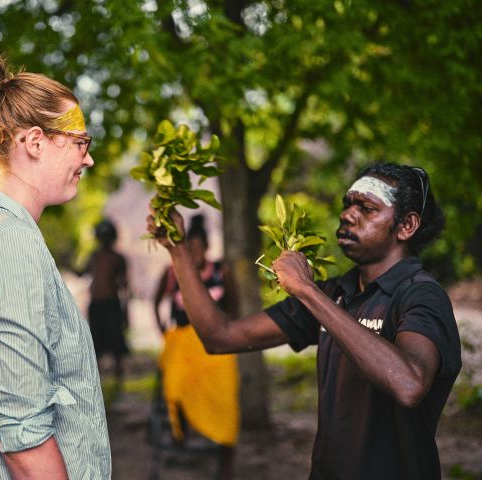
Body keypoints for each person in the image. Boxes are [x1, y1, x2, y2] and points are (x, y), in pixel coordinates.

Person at [147, 163, 461, 480]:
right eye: (348, 204)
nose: (348, 215)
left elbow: (409, 384)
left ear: (406, 225)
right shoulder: (336, 294)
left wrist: (308, 291)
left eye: (366, 208)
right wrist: (179, 250)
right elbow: (220, 336)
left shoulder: (421, 297)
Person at [0, 56, 110, 479]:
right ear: (34, 142)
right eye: (79, 142)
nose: (87, 159)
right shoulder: (10, 245)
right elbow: (22, 432)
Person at [153, 214, 240, 480]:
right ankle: (182, 435)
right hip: (182, 343)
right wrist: (163, 332)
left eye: (199, 246)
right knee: (176, 388)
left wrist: (230, 331)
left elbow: (235, 304)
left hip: (216, 346)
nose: (195, 251)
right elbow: (156, 302)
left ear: (207, 247)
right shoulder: (173, 271)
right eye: (190, 246)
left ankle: (226, 456)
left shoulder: (220, 271)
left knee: (224, 397)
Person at [85, 218, 130, 382]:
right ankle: (96, 379)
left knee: (116, 341)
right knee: (96, 342)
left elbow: (125, 286)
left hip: (112, 304)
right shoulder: (93, 257)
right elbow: (82, 272)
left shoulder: (118, 259)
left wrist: (126, 311)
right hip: (97, 305)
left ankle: (119, 377)